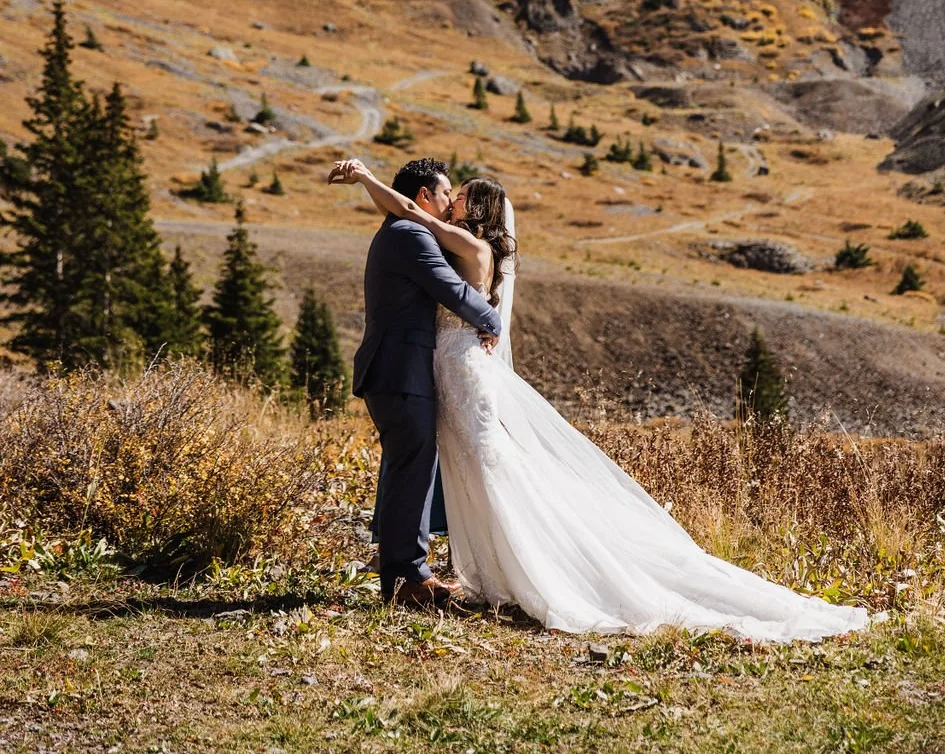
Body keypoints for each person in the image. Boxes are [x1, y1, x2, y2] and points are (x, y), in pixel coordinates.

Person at [330, 155, 872, 642]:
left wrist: (365, 178)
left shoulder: (465, 244)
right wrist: (367, 178)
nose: (452, 201)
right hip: (440, 367)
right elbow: (414, 217)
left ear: (479, 212)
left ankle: (506, 570)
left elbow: (426, 236)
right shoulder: (427, 234)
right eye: (449, 192)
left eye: (462, 195)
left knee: (485, 468)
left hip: (460, 366)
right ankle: (444, 571)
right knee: (457, 468)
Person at [347, 156, 501, 608]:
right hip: (400, 370)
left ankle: (401, 577)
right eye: (445, 193)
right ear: (424, 197)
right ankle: (410, 577)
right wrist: (490, 320)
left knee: (407, 467)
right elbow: (451, 292)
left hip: (396, 369)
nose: (450, 201)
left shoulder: (401, 230)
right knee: (413, 468)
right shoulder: (412, 234)